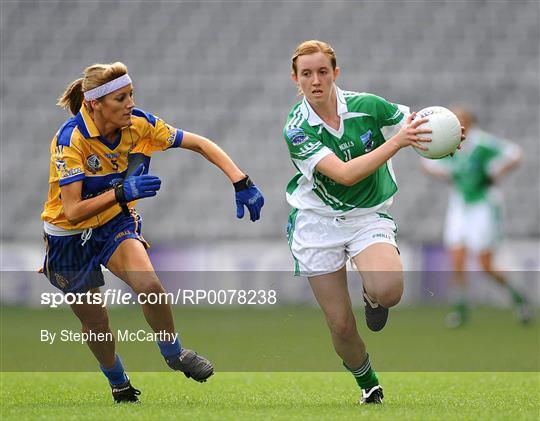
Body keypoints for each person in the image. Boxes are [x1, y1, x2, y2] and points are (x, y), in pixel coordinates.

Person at [41, 62, 264, 403]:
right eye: (120, 98)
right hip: (67, 235)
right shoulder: (71, 139)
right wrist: (123, 192)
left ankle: (174, 354)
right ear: (94, 104)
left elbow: (200, 143)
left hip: (114, 221)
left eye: (131, 94)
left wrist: (240, 180)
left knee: (150, 285)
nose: (130, 103)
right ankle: (119, 382)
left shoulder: (139, 123)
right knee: (96, 321)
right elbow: (72, 210)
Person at [283, 40, 464, 405]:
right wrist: (397, 143)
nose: (315, 80)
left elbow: (414, 126)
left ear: (336, 73)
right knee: (341, 325)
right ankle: (368, 383)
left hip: (367, 216)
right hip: (317, 223)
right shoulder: (296, 129)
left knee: (389, 291)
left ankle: (371, 296)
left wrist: (445, 136)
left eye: (322, 71)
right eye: (307, 74)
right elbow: (345, 175)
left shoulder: (367, 105)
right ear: (295, 79)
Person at [421, 106, 531, 328]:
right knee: (457, 259)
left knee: (485, 264)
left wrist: (496, 172)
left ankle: (519, 298)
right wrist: (446, 175)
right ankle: (461, 309)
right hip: (460, 204)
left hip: (483, 205)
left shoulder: (482, 143)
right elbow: (427, 162)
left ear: (469, 122)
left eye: (459, 119)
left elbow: (515, 154)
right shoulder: (449, 142)